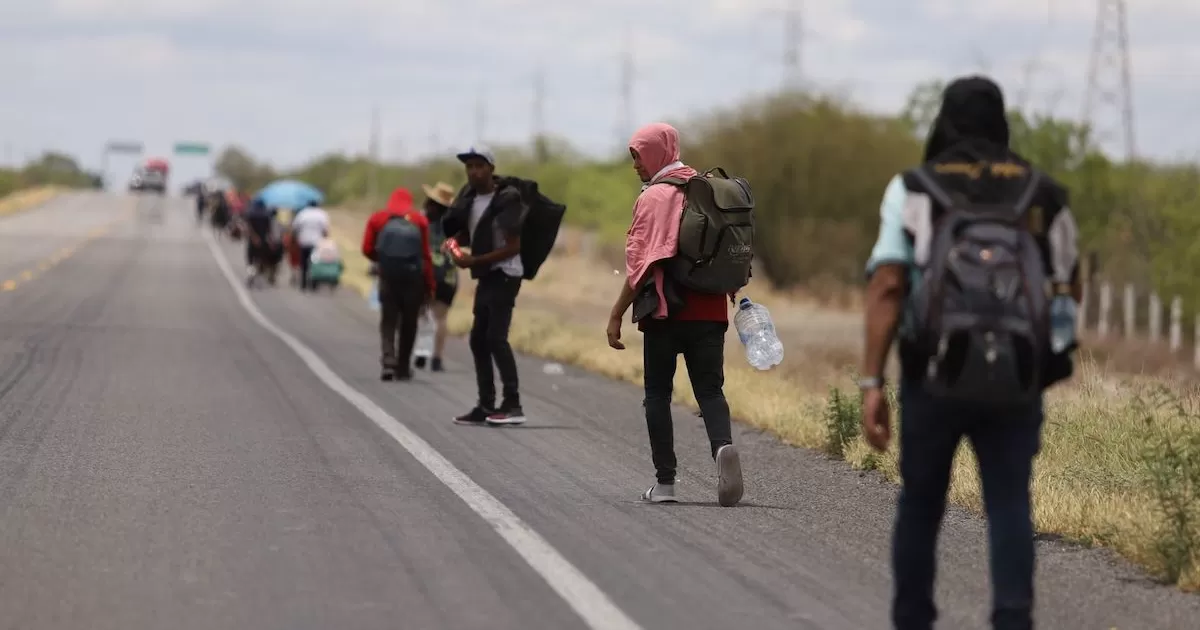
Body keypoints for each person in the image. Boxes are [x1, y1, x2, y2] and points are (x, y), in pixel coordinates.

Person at [859, 76, 1080, 630]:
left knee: (921, 503)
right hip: (1016, 381)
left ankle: (913, 619)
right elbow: (1068, 287)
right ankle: (1012, 619)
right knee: (1008, 503)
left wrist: (871, 383)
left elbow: (888, 283)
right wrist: (1049, 364)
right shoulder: (1042, 192)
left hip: (931, 374)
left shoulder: (914, 188)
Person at [604, 122, 743, 507]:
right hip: (710, 310)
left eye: (638, 157)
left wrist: (617, 314)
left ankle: (665, 485)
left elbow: (641, 266)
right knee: (711, 391)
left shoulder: (654, 197)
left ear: (656, 153)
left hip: (665, 313)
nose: (636, 166)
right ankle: (722, 448)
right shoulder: (708, 190)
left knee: (657, 395)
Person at [441, 146, 528, 426]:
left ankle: (513, 404)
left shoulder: (507, 198)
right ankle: (486, 404)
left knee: (495, 337)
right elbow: (474, 234)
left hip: (506, 273)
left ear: (491, 168)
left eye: (480, 165)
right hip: (486, 273)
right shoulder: (470, 198)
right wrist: (454, 246)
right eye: (469, 167)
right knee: (479, 339)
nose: (474, 171)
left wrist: (474, 260)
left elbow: (513, 246)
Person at [362, 188, 435, 381]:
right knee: (409, 323)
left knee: (388, 320)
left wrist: (383, 260)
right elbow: (426, 256)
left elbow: (366, 248)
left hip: (388, 277)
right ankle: (403, 368)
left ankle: (388, 362)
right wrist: (430, 285)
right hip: (414, 280)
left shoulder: (378, 219)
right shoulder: (419, 221)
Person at [415, 181, 459, 372]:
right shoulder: (454, 226)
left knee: (423, 314)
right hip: (448, 276)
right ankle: (437, 359)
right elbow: (457, 250)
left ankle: (422, 351)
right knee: (441, 318)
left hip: (426, 273)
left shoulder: (422, 223)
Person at [290, 200, 331, 291]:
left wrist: (294, 239)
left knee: (304, 264)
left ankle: (303, 284)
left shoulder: (302, 214)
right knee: (315, 263)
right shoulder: (322, 214)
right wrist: (325, 240)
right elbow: (326, 230)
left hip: (304, 242)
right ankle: (313, 284)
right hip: (316, 243)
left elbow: (295, 228)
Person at [242, 199, 283, 287]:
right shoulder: (266, 215)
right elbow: (269, 230)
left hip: (252, 241)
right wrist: (271, 241)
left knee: (251, 259)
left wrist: (253, 237)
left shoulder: (251, 214)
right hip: (263, 241)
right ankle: (257, 277)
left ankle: (251, 275)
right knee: (260, 260)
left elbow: (248, 228)